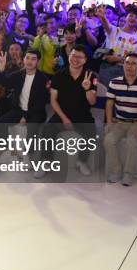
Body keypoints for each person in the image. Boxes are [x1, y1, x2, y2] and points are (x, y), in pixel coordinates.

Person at [38, 45, 98, 178]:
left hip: (82, 115)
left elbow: (92, 102)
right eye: (73, 55)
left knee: (92, 133)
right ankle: (46, 162)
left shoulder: (91, 76)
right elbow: (53, 101)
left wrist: (87, 89)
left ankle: (81, 161)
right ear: (69, 56)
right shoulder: (59, 75)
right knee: (47, 130)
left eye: (79, 57)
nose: (75, 59)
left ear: (85, 59)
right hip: (61, 114)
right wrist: (64, 118)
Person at [104, 53, 137, 186]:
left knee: (132, 142)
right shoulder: (114, 82)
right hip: (119, 122)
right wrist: (109, 123)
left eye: (133, 63)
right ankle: (116, 170)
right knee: (108, 141)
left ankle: (128, 173)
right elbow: (109, 104)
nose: (129, 66)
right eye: (127, 63)